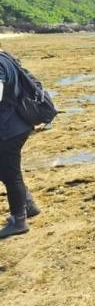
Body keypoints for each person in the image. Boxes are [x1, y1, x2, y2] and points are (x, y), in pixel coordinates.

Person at [0, 48, 41, 238]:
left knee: (10, 173)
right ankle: (28, 205)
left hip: (9, 129)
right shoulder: (6, 57)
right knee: (7, 171)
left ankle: (19, 220)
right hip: (18, 124)